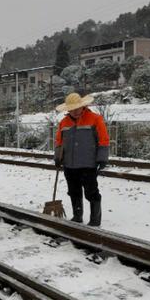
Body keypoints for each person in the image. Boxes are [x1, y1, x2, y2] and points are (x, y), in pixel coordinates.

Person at [54, 92, 109, 226]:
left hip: (88, 164)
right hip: (69, 165)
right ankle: (77, 216)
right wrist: (57, 157)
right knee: (74, 191)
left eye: (77, 108)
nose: (75, 111)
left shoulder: (95, 119)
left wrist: (102, 158)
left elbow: (103, 139)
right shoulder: (64, 122)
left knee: (91, 192)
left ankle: (95, 220)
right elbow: (59, 142)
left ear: (82, 106)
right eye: (72, 109)